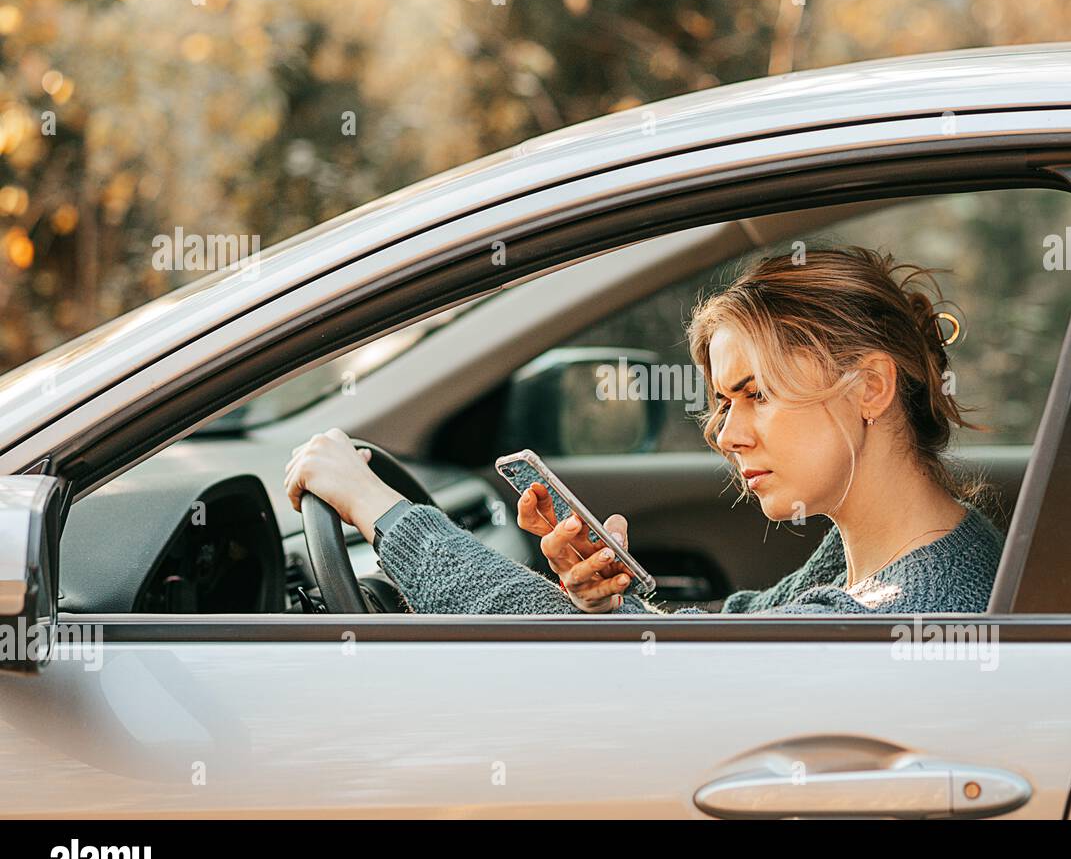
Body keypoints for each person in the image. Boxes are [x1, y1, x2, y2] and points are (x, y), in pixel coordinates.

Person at [284, 245, 1005, 615]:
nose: (727, 433)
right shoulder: (910, 551)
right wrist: (614, 606)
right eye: (724, 402)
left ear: (872, 387)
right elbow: (725, 645)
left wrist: (381, 512)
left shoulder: (891, 612)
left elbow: (583, 670)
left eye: (756, 395)